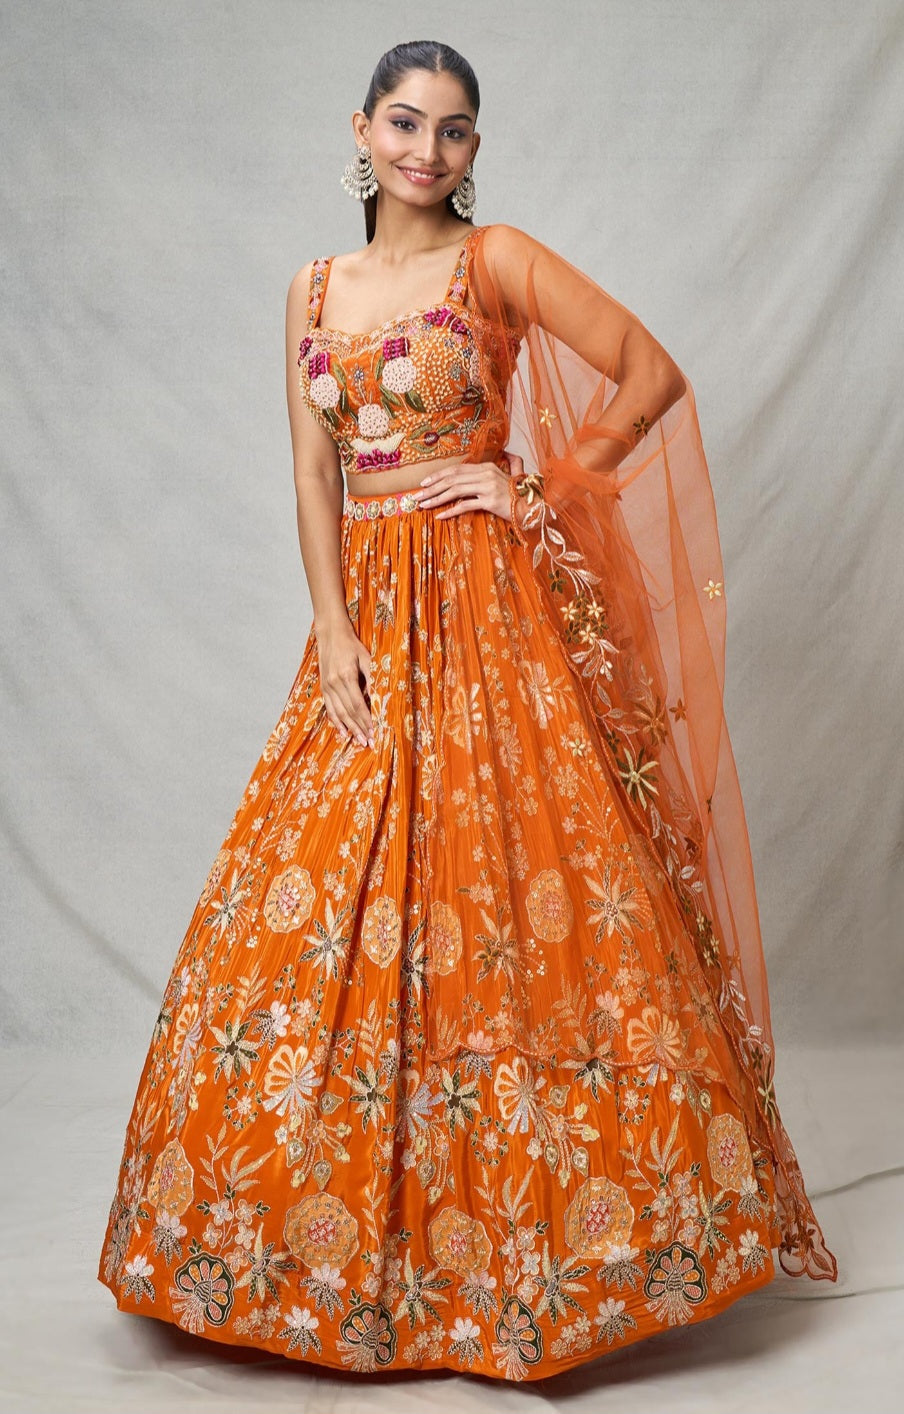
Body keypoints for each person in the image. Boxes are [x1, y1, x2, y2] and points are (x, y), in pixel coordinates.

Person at [97, 39, 838, 1383]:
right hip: (370, 614)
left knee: (510, 892)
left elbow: (648, 370)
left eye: (451, 131)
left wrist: (536, 487)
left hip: (492, 607)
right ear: (361, 131)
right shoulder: (311, 290)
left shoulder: (493, 262)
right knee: (324, 896)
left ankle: (547, 1248)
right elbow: (313, 472)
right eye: (403, 123)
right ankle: (328, 1254)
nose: (424, 151)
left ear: (474, 149)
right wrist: (330, 627)